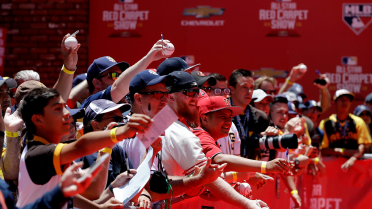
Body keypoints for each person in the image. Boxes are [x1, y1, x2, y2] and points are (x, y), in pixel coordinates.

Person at [16, 87, 152, 208]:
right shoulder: (37, 154)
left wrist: (107, 148)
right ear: (38, 120)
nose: (67, 113)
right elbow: (82, 146)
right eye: (58, 109)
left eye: (64, 107)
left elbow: (92, 191)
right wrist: (120, 132)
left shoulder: (55, 153)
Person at [162, 69, 268, 209]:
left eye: (197, 92)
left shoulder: (182, 129)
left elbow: (205, 188)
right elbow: (210, 177)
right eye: (189, 92)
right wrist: (264, 167)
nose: (195, 98)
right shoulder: (182, 132)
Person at [80, 40, 171, 109]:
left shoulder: (127, 106)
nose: (120, 79)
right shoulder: (91, 104)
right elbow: (118, 88)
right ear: (97, 83)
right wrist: (149, 58)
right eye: (114, 75)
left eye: (121, 75)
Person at [0, 161, 102, 209]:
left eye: (73, 122)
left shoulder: (2, 189)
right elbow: (94, 193)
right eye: (58, 116)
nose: (65, 117)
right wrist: (113, 136)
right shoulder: (38, 151)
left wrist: (60, 193)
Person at [320, 89, 372, 171]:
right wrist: (342, 151)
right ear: (334, 102)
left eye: (347, 100)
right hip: (332, 169)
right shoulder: (325, 123)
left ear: (351, 103)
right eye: (341, 100)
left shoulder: (358, 122)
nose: (345, 103)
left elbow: (362, 146)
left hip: (355, 167)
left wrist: (353, 158)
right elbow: (323, 149)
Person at [228, 69, 275, 160]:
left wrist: (273, 132)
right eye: (244, 87)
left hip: (250, 171)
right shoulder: (220, 114)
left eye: (252, 87)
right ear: (232, 89)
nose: (249, 91)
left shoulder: (261, 117)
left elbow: (278, 148)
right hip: (225, 171)